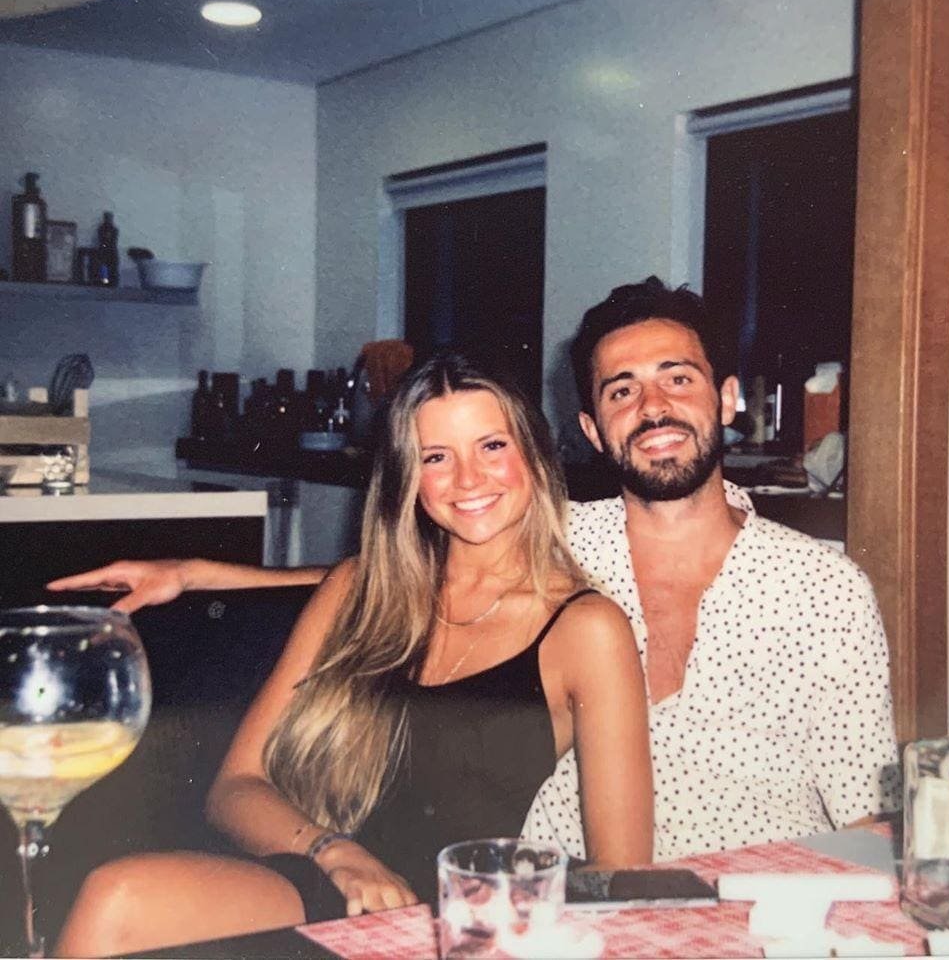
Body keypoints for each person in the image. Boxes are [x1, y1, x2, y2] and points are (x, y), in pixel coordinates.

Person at [51, 277, 900, 865]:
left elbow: (867, 818)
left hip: (751, 915)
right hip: (550, 899)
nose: (652, 407)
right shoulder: (556, 542)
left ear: (728, 399)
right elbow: (391, 573)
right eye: (621, 390)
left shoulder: (823, 591)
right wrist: (199, 573)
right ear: (590, 430)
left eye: (677, 379)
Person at [53, 352, 652, 958]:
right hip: (310, 879)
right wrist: (334, 852)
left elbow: (624, 873)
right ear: (407, 477)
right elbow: (234, 786)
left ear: (536, 456)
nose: (468, 479)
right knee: (115, 898)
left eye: (492, 446)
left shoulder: (588, 630)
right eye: (436, 457)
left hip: (436, 923)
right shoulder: (355, 592)